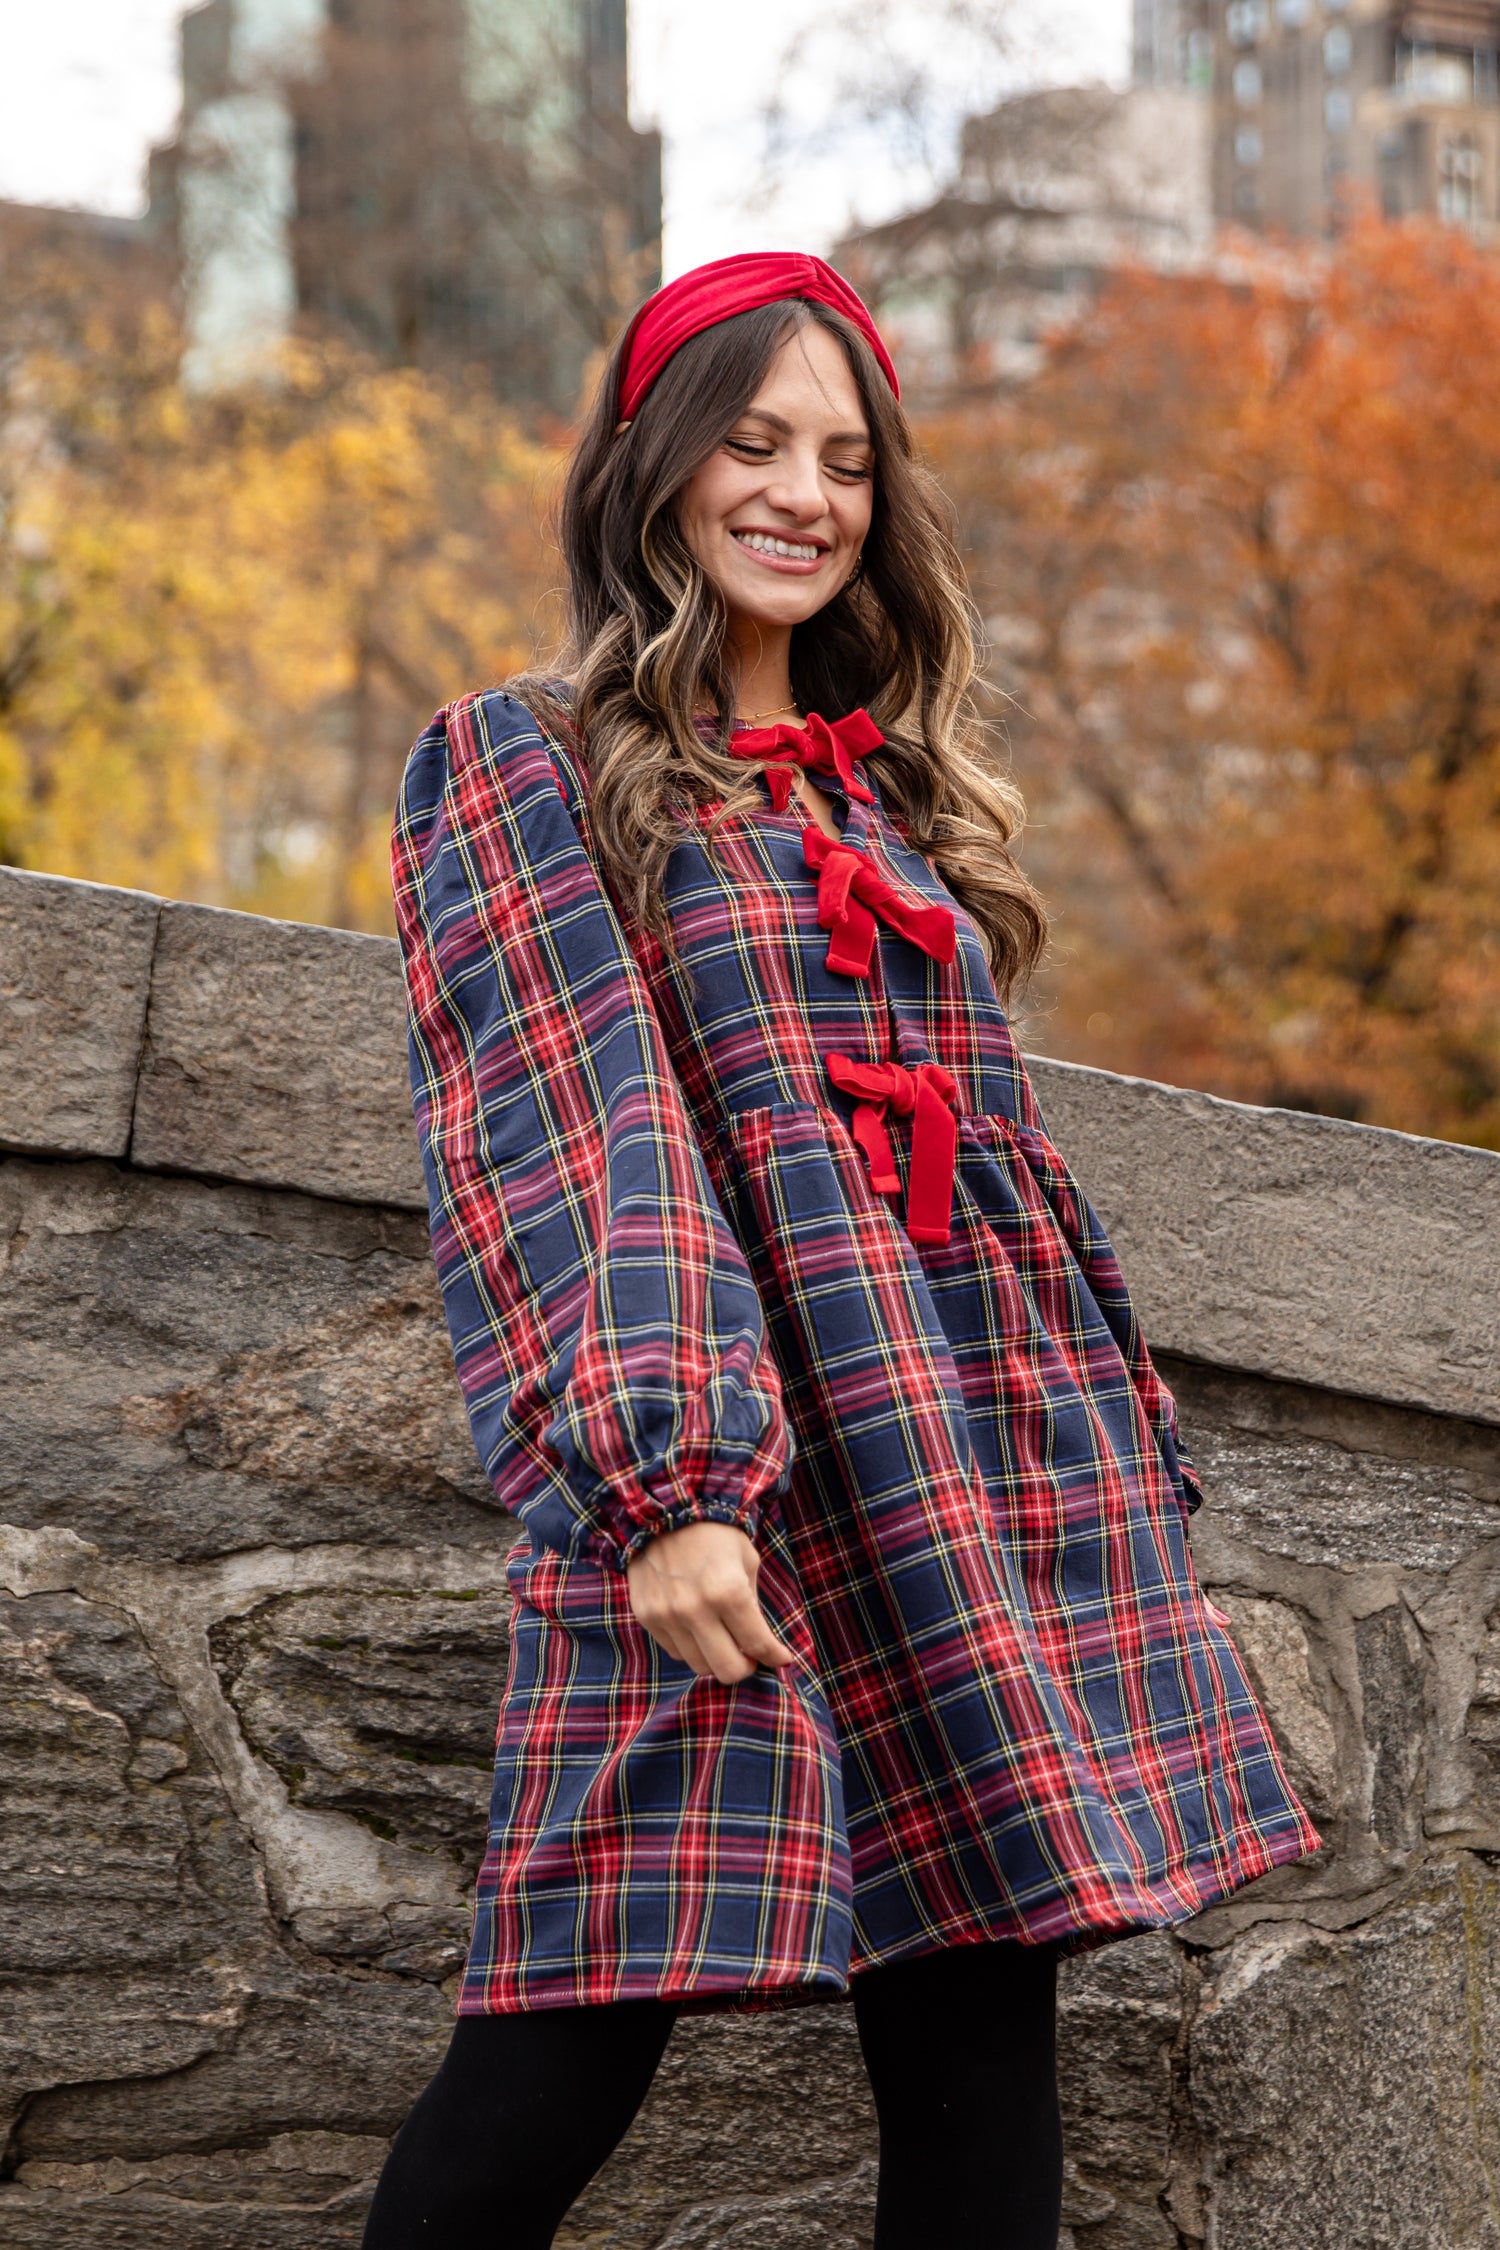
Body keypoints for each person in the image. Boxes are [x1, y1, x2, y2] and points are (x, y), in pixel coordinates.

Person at [364, 252, 1319, 2250]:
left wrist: (1109, 1466)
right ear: (652, 463)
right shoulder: (527, 762)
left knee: (984, 2069)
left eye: (847, 458)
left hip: (972, 1487)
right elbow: (569, 1128)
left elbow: (997, 1179)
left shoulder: (892, 803)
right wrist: (669, 1491)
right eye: (754, 438)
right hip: (735, 1484)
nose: (804, 492)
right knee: (552, 2060)